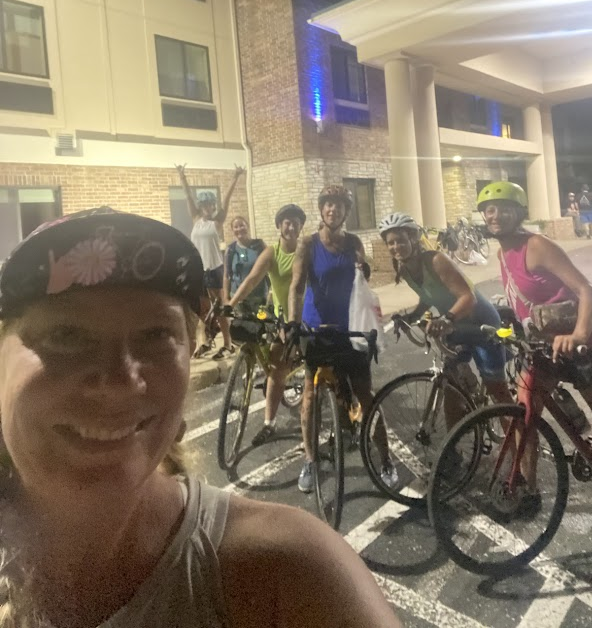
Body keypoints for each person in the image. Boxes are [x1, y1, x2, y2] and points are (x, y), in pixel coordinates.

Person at [0, 208, 401, 628]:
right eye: (66, 335)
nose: (119, 381)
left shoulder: (289, 570)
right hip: (300, 326)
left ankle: (379, 454)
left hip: (341, 331)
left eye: (155, 335)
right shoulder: (298, 247)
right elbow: (274, 285)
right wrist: (244, 309)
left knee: (356, 391)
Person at [477, 181, 592, 513]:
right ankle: (526, 491)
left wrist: (579, 335)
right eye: (489, 209)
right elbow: (525, 305)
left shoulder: (536, 246)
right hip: (541, 349)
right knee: (525, 416)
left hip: (580, 347)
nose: (495, 215)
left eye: (504, 208)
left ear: (519, 213)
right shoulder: (501, 252)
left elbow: (587, 291)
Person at [289, 186, 398, 493]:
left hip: (350, 328)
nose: (332, 210)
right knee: (310, 397)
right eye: (328, 205)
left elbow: (365, 274)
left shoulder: (353, 242)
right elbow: (297, 286)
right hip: (316, 328)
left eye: (338, 205)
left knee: (365, 394)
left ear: (345, 211)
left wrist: (365, 269)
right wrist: (293, 324)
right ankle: (310, 460)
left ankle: (385, 459)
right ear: (321, 210)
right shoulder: (308, 243)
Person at [378, 212, 513, 426]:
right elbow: (428, 294)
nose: (396, 247)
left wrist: (447, 319)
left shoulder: (435, 260)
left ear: (413, 238)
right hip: (455, 328)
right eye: (391, 243)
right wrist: (411, 316)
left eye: (401, 240)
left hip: (481, 325)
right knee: (450, 384)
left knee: (498, 395)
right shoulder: (405, 268)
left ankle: (518, 450)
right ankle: (455, 443)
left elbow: (468, 297)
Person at [228, 204, 307, 447]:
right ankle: (269, 424)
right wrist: (230, 304)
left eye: (295, 222)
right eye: (286, 222)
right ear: (279, 226)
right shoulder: (272, 253)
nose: (291, 226)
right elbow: (252, 280)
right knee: (276, 369)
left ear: (300, 227)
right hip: (281, 317)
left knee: (320, 369)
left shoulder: (306, 251)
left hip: (306, 317)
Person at [176, 163, 245, 359]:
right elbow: (188, 197)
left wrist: (235, 177)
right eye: (204, 205)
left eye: (211, 205)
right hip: (199, 269)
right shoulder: (196, 219)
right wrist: (182, 176)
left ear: (214, 206)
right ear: (200, 207)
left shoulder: (218, 221)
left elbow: (227, 199)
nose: (208, 208)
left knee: (220, 308)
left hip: (215, 268)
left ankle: (228, 343)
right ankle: (204, 341)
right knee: (201, 307)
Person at [223, 216, 268, 311]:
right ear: (232, 230)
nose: (239, 229)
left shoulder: (259, 245)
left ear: (247, 226)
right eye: (236, 227)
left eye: (241, 225)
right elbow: (227, 276)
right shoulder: (231, 249)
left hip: (258, 297)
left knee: (262, 324)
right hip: (238, 299)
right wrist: (226, 299)